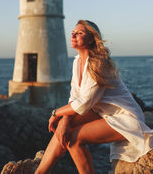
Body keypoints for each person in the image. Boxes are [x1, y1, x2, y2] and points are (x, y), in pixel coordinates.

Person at [35, 20, 153, 174]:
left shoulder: (98, 63)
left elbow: (84, 103)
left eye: (79, 33)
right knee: (63, 129)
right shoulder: (77, 62)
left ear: (91, 38)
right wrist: (64, 120)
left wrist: (56, 113)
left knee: (73, 139)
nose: (73, 35)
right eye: (73, 33)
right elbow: (75, 96)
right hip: (103, 113)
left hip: (125, 117)